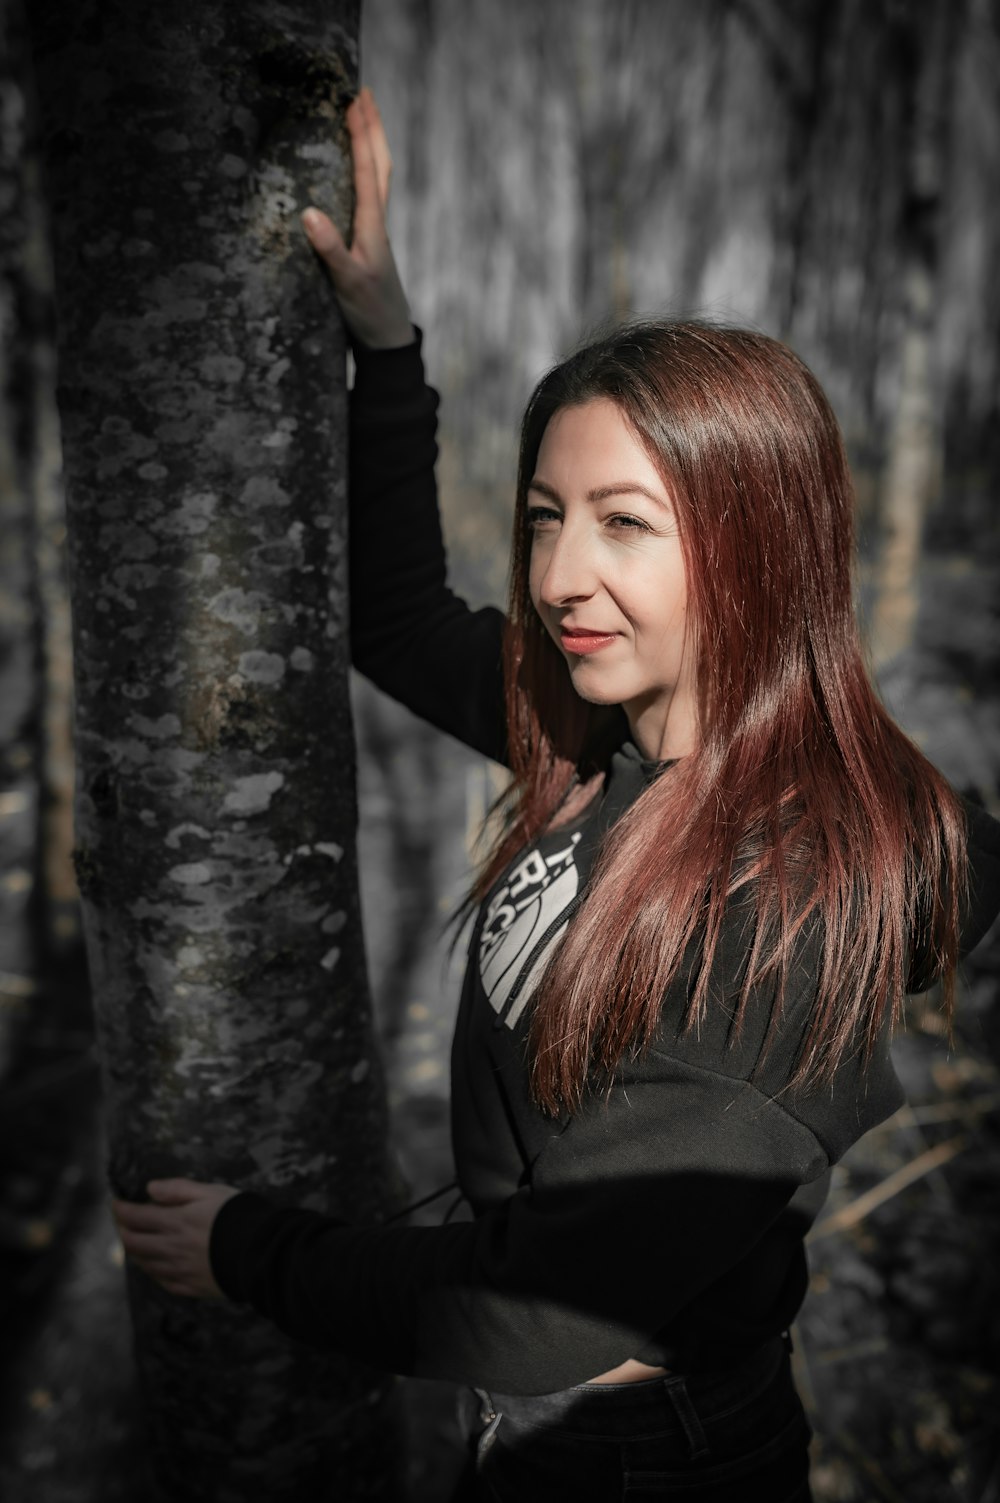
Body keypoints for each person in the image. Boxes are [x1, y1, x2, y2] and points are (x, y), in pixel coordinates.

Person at [112, 88, 1000, 1501]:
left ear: (761, 549)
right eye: (546, 516)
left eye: (627, 525)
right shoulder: (599, 724)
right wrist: (388, 347)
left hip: (643, 1456)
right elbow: (399, 620)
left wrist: (247, 1255)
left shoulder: (786, 910)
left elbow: (537, 1318)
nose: (560, 579)